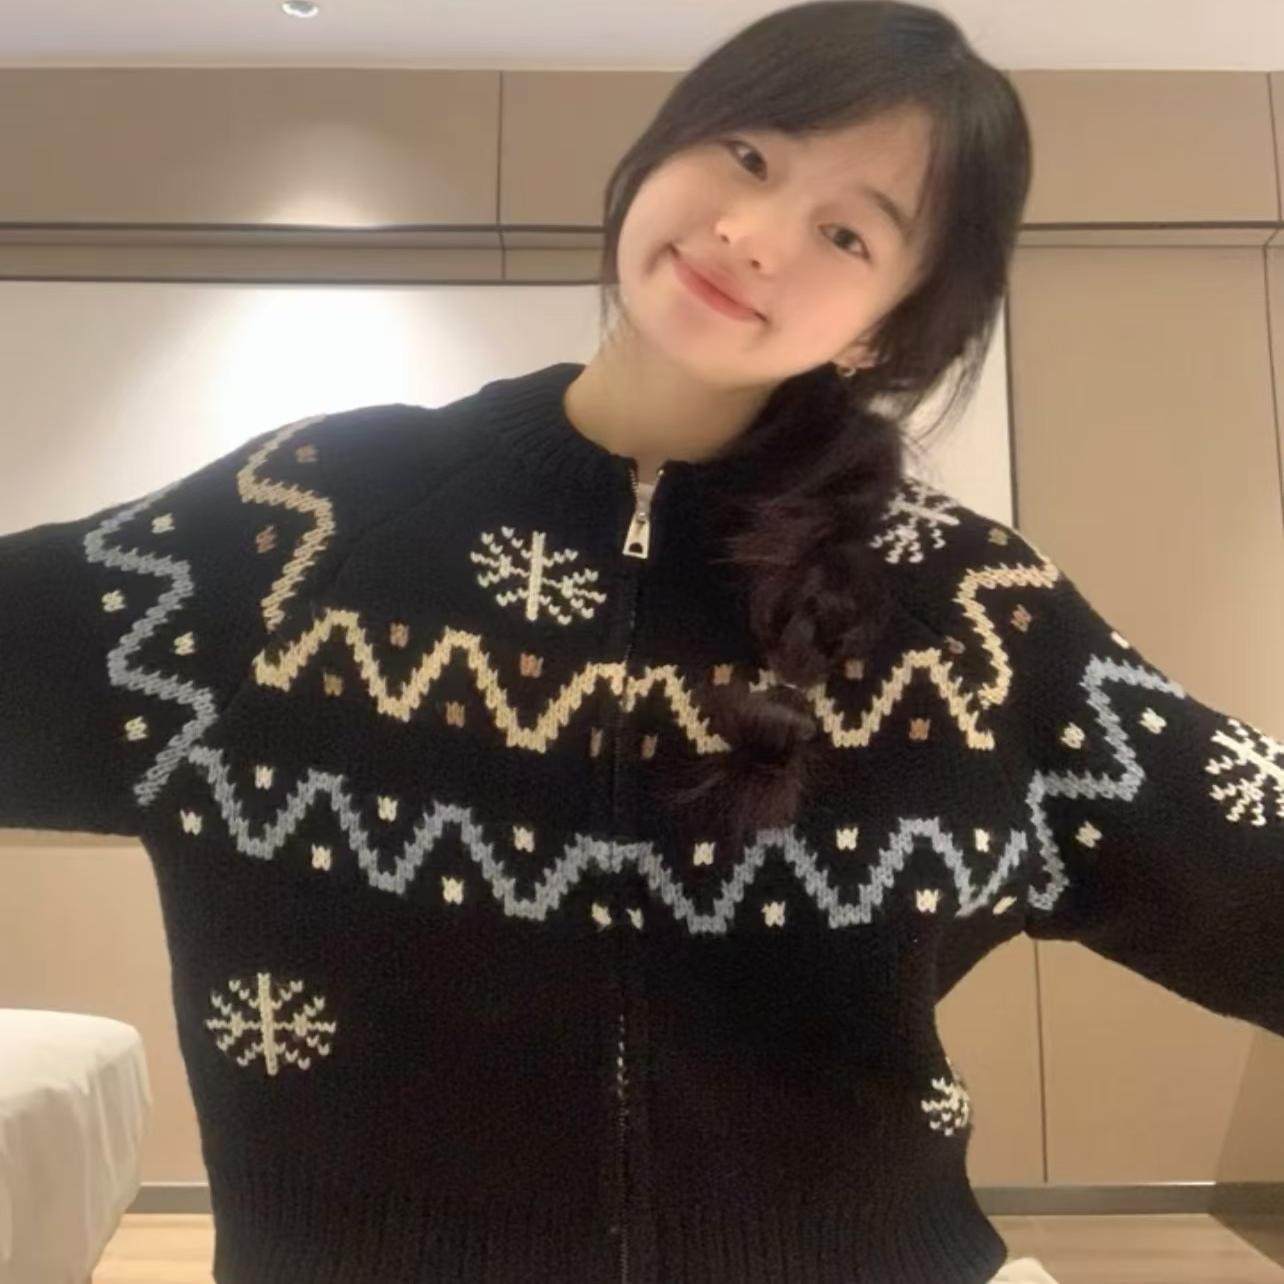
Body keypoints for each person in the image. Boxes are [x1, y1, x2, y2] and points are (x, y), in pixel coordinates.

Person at [2, 4, 1280, 1282]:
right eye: (749, 155)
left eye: (847, 233)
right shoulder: (305, 526)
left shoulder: (967, 615)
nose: (754, 233)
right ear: (664, 148)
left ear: (888, 325)